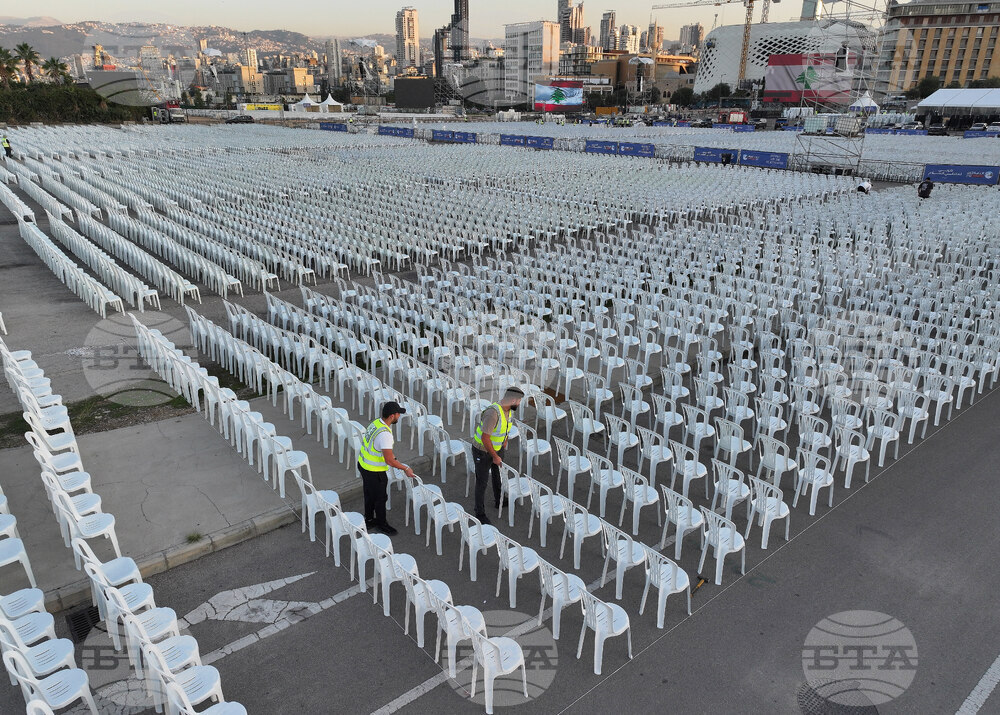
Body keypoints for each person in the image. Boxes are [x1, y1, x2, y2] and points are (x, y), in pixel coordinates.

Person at [357, 402, 414, 535]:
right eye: (398, 414)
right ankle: (382, 524)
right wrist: (405, 468)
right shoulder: (385, 435)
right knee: (380, 498)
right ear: (392, 416)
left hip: (363, 464)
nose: (399, 416)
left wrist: (393, 458)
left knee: (369, 494)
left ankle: (369, 518)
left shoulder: (376, 423)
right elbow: (389, 460)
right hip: (374, 471)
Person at [471, 387, 524, 524]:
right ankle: (479, 513)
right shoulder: (493, 413)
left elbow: (505, 427)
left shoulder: (508, 410)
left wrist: (504, 440)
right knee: (481, 482)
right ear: (512, 400)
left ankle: (499, 499)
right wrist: (495, 456)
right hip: (482, 451)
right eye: (518, 401)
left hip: (497, 448)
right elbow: (485, 438)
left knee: (497, 474)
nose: (519, 404)